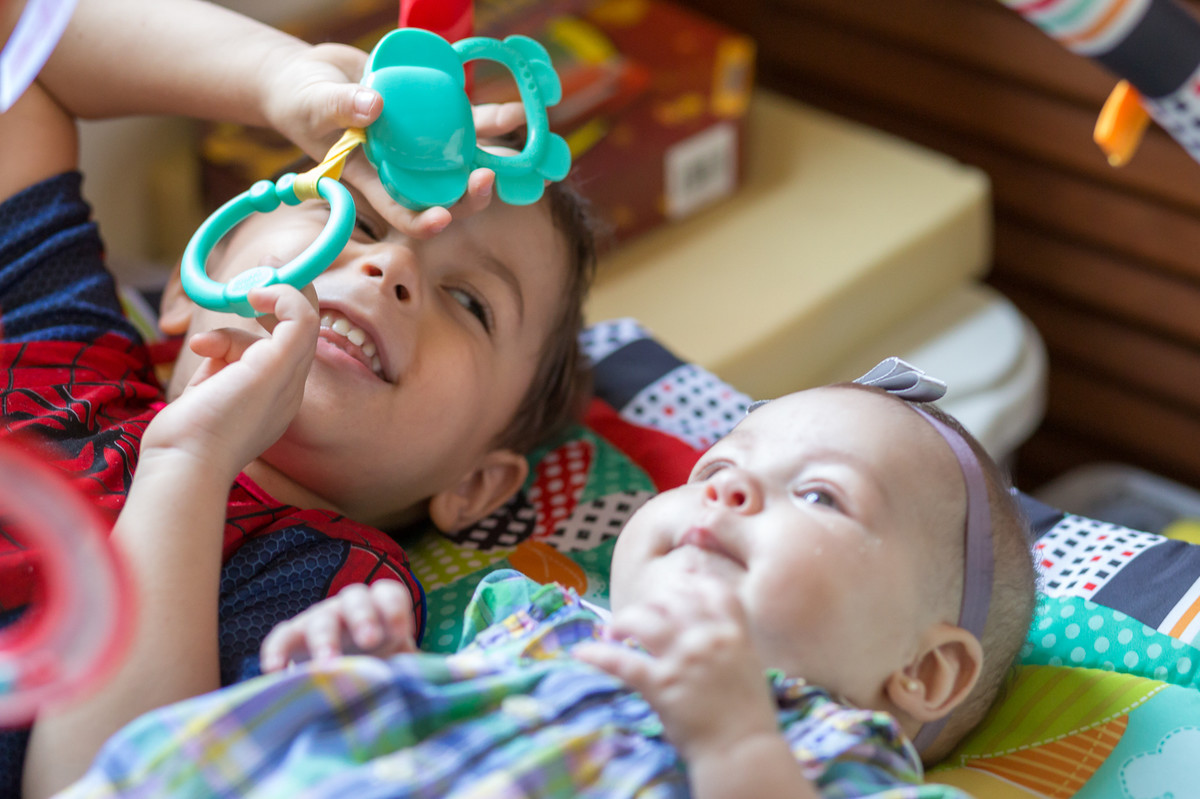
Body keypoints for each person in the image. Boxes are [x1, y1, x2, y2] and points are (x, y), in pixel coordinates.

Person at [0, 1, 596, 795]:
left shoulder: (334, 594)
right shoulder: (56, 340)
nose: (391, 268)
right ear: (188, 280)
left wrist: (190, 461)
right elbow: (22, 50)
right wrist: (277, 76)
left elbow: (103, 782)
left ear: (474, 483)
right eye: (355, 217)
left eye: (471, 302)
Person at [57, 373, 1039, 798]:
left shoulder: (832, 755)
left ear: (923, 672)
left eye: (820, 494)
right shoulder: (537, 625)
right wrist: (373, 676)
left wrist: (735, 741)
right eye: (717, 465)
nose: (728, 487)